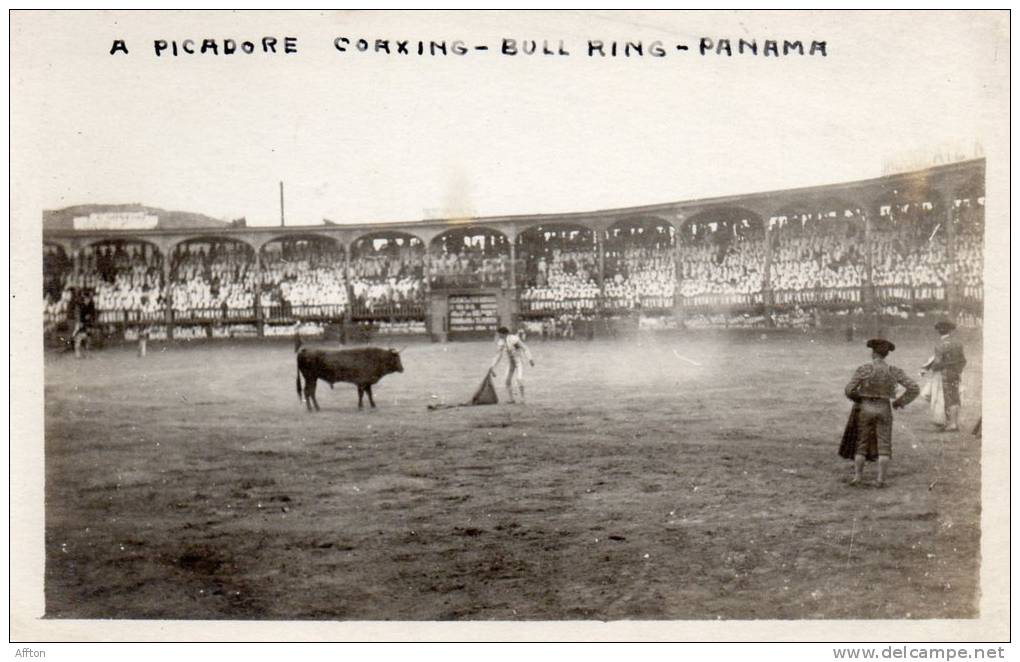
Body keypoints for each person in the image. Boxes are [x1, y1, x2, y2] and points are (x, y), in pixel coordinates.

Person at [842, 338, 920, 487]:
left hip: (865, 407)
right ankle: (880, 480)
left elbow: (848, 390)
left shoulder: (865, 369)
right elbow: (914, 388)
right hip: (884, 408)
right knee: (884, 444)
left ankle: (858, 477)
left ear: (873, 353)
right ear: (886, 354)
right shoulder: (894, 371)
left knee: (861, 443)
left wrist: (858, 399)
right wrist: (899, 402)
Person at [922, 319, 967, 432]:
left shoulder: (940, 345)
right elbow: (963, 360)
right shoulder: (958, 344)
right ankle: (953, 423)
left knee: (946, 398)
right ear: (950, 330)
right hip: (955, 373)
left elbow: (937, 362)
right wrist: (958, 370)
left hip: (944, 374)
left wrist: (931, 368)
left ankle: (951, 424)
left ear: (939, 331)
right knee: (955, 397)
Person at [489, 325, 534, 404]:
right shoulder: (501, 342)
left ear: (504, 334)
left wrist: (530, 358)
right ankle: (511, 399)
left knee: (519, 379)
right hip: (511, 363)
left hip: (519, 361)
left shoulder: (514, 339)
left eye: (500, 334)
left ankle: (523, 398)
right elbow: (498, 355)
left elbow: (525, 348)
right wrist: (492, 366)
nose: (499, 336)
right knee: (507, 380)